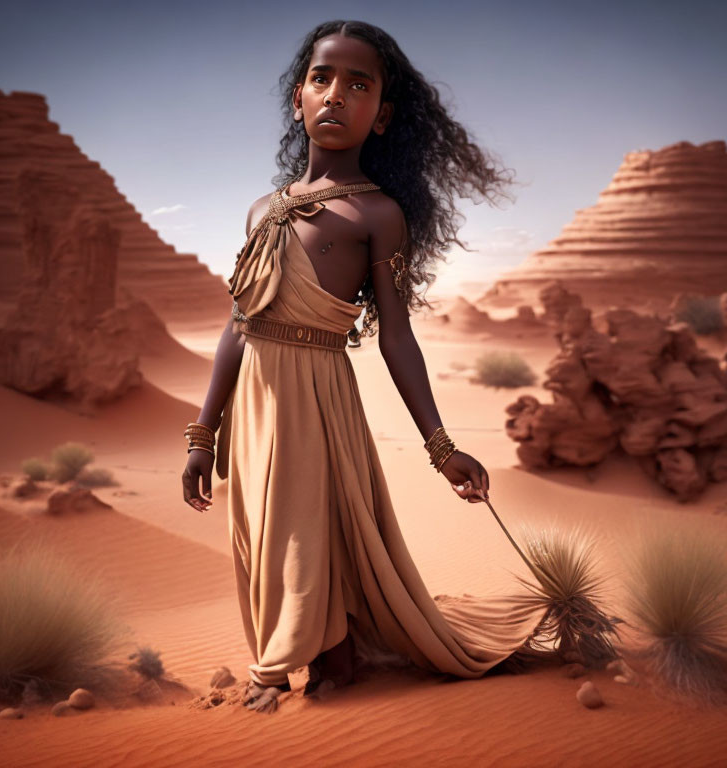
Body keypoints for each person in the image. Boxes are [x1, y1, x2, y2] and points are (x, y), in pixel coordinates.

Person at [182, 19, 544, 715]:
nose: (337, 96)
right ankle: (328, 661)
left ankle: (274, 671)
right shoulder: (263, 209)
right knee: (262, 531)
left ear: (383, 115)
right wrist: (204, 433)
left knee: (305, 532)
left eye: (359, 84)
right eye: (322, 78)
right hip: (255, 402)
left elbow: (397, 337)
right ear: (298, 99)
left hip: (318, 397)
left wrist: (442, 448)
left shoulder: (378, 214)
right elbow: (239, 321)